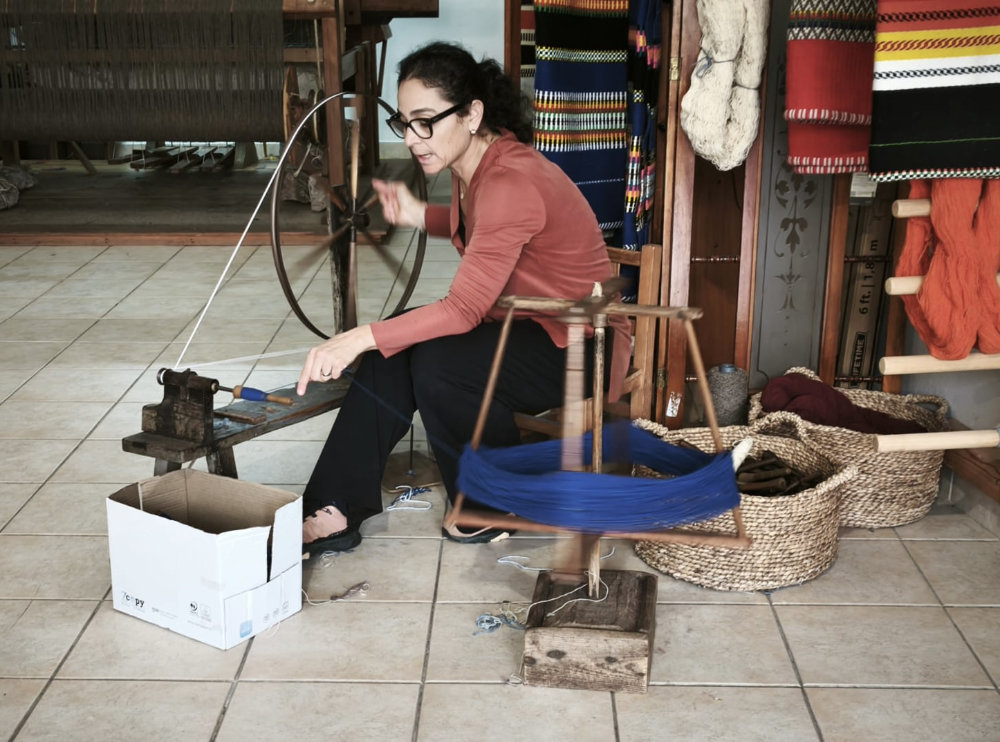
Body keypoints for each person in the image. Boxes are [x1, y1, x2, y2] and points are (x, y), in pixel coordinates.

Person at [297, 41, 632, 557]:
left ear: (472, 114)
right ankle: (333, 504)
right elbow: (485, 226)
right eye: (405, 123)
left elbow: (464, 309)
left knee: (438, 360)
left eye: (426, 122)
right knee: (397, 347)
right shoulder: (475, 164)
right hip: (527, 325)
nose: (413, 139)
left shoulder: (509, 180)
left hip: (581, 346)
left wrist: (355, 339)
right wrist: (420, 215)